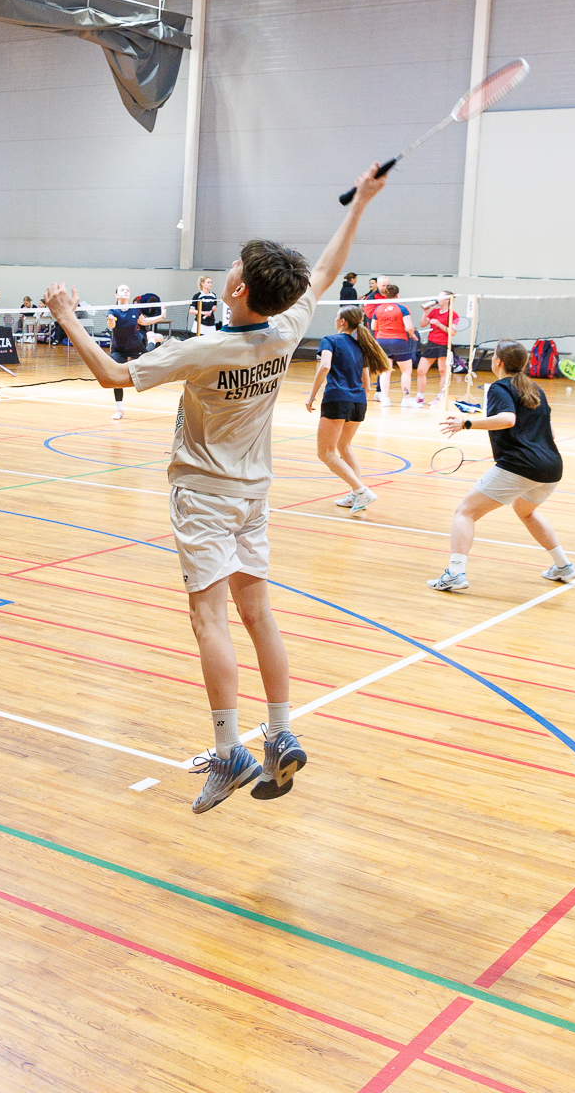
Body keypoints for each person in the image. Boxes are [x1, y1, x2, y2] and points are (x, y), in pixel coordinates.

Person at [42, 162, 389, 814]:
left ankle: (231, 749)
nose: (229, 266)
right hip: (254, 496)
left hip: (203, 497)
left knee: (210, 619)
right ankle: (280, 731)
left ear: (238, 289)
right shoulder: (287, 329)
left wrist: (66, 316)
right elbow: (328, 268)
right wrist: (361, 203)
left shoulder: (201, 350)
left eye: (234, 265)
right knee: (258, 614)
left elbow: (114, 376)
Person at [428, 342, 575, 592]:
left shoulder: (499, 388)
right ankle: (563, 565)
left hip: (521, 466)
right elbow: (549, 432)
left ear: (498, 361)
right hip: (551, 467)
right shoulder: (535, 389)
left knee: (465, 512)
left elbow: (508, 419)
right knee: (525, 511)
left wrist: (466, 423)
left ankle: (455, 573)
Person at [305, 306, 388, 513]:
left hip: (337, 399)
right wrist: (356, 400)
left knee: (325, 453)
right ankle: (357, 495)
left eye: (337, 317)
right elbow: (367, 384)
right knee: (344, 446)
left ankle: (361, 491)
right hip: (358, 402)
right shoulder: (362, 346)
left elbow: (325, 366)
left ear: (343, 321)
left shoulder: (330, 340)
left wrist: (312, 395)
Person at [99, 286, 149, 421]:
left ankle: (152, 341)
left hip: (135, 346)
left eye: (127, 290)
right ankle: (119, 409)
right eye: (122, 290)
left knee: (150, 363)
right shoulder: (113, 311)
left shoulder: (135, 309)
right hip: (119, 349)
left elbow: (144, 322)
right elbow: (111, 326)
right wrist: (110, 320)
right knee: (116, 377)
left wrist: (161, 316)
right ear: (116, 295)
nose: (126, 291)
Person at [365, 282, 416, 405]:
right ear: (397, 295)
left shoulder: (378, 308)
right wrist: (412, 334)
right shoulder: (402, 308)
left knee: (384, 371)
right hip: (399, 341)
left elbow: (373, 327)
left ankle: (385, 399)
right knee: (406, 371)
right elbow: (409, 327)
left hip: (382, 341)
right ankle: (406, 399)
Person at [416, 291, 461, 409]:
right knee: (421, 370)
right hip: (431, 343)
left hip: (443, 345)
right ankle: (420, 396)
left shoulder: (453, 314)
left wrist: (438, 324)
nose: (438, 299)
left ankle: (440, 397)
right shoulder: (434, 311)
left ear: (447, 300)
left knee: (443, 371)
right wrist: (425, 312)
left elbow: (453, 332)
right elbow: (422, 324)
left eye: (440, 297)